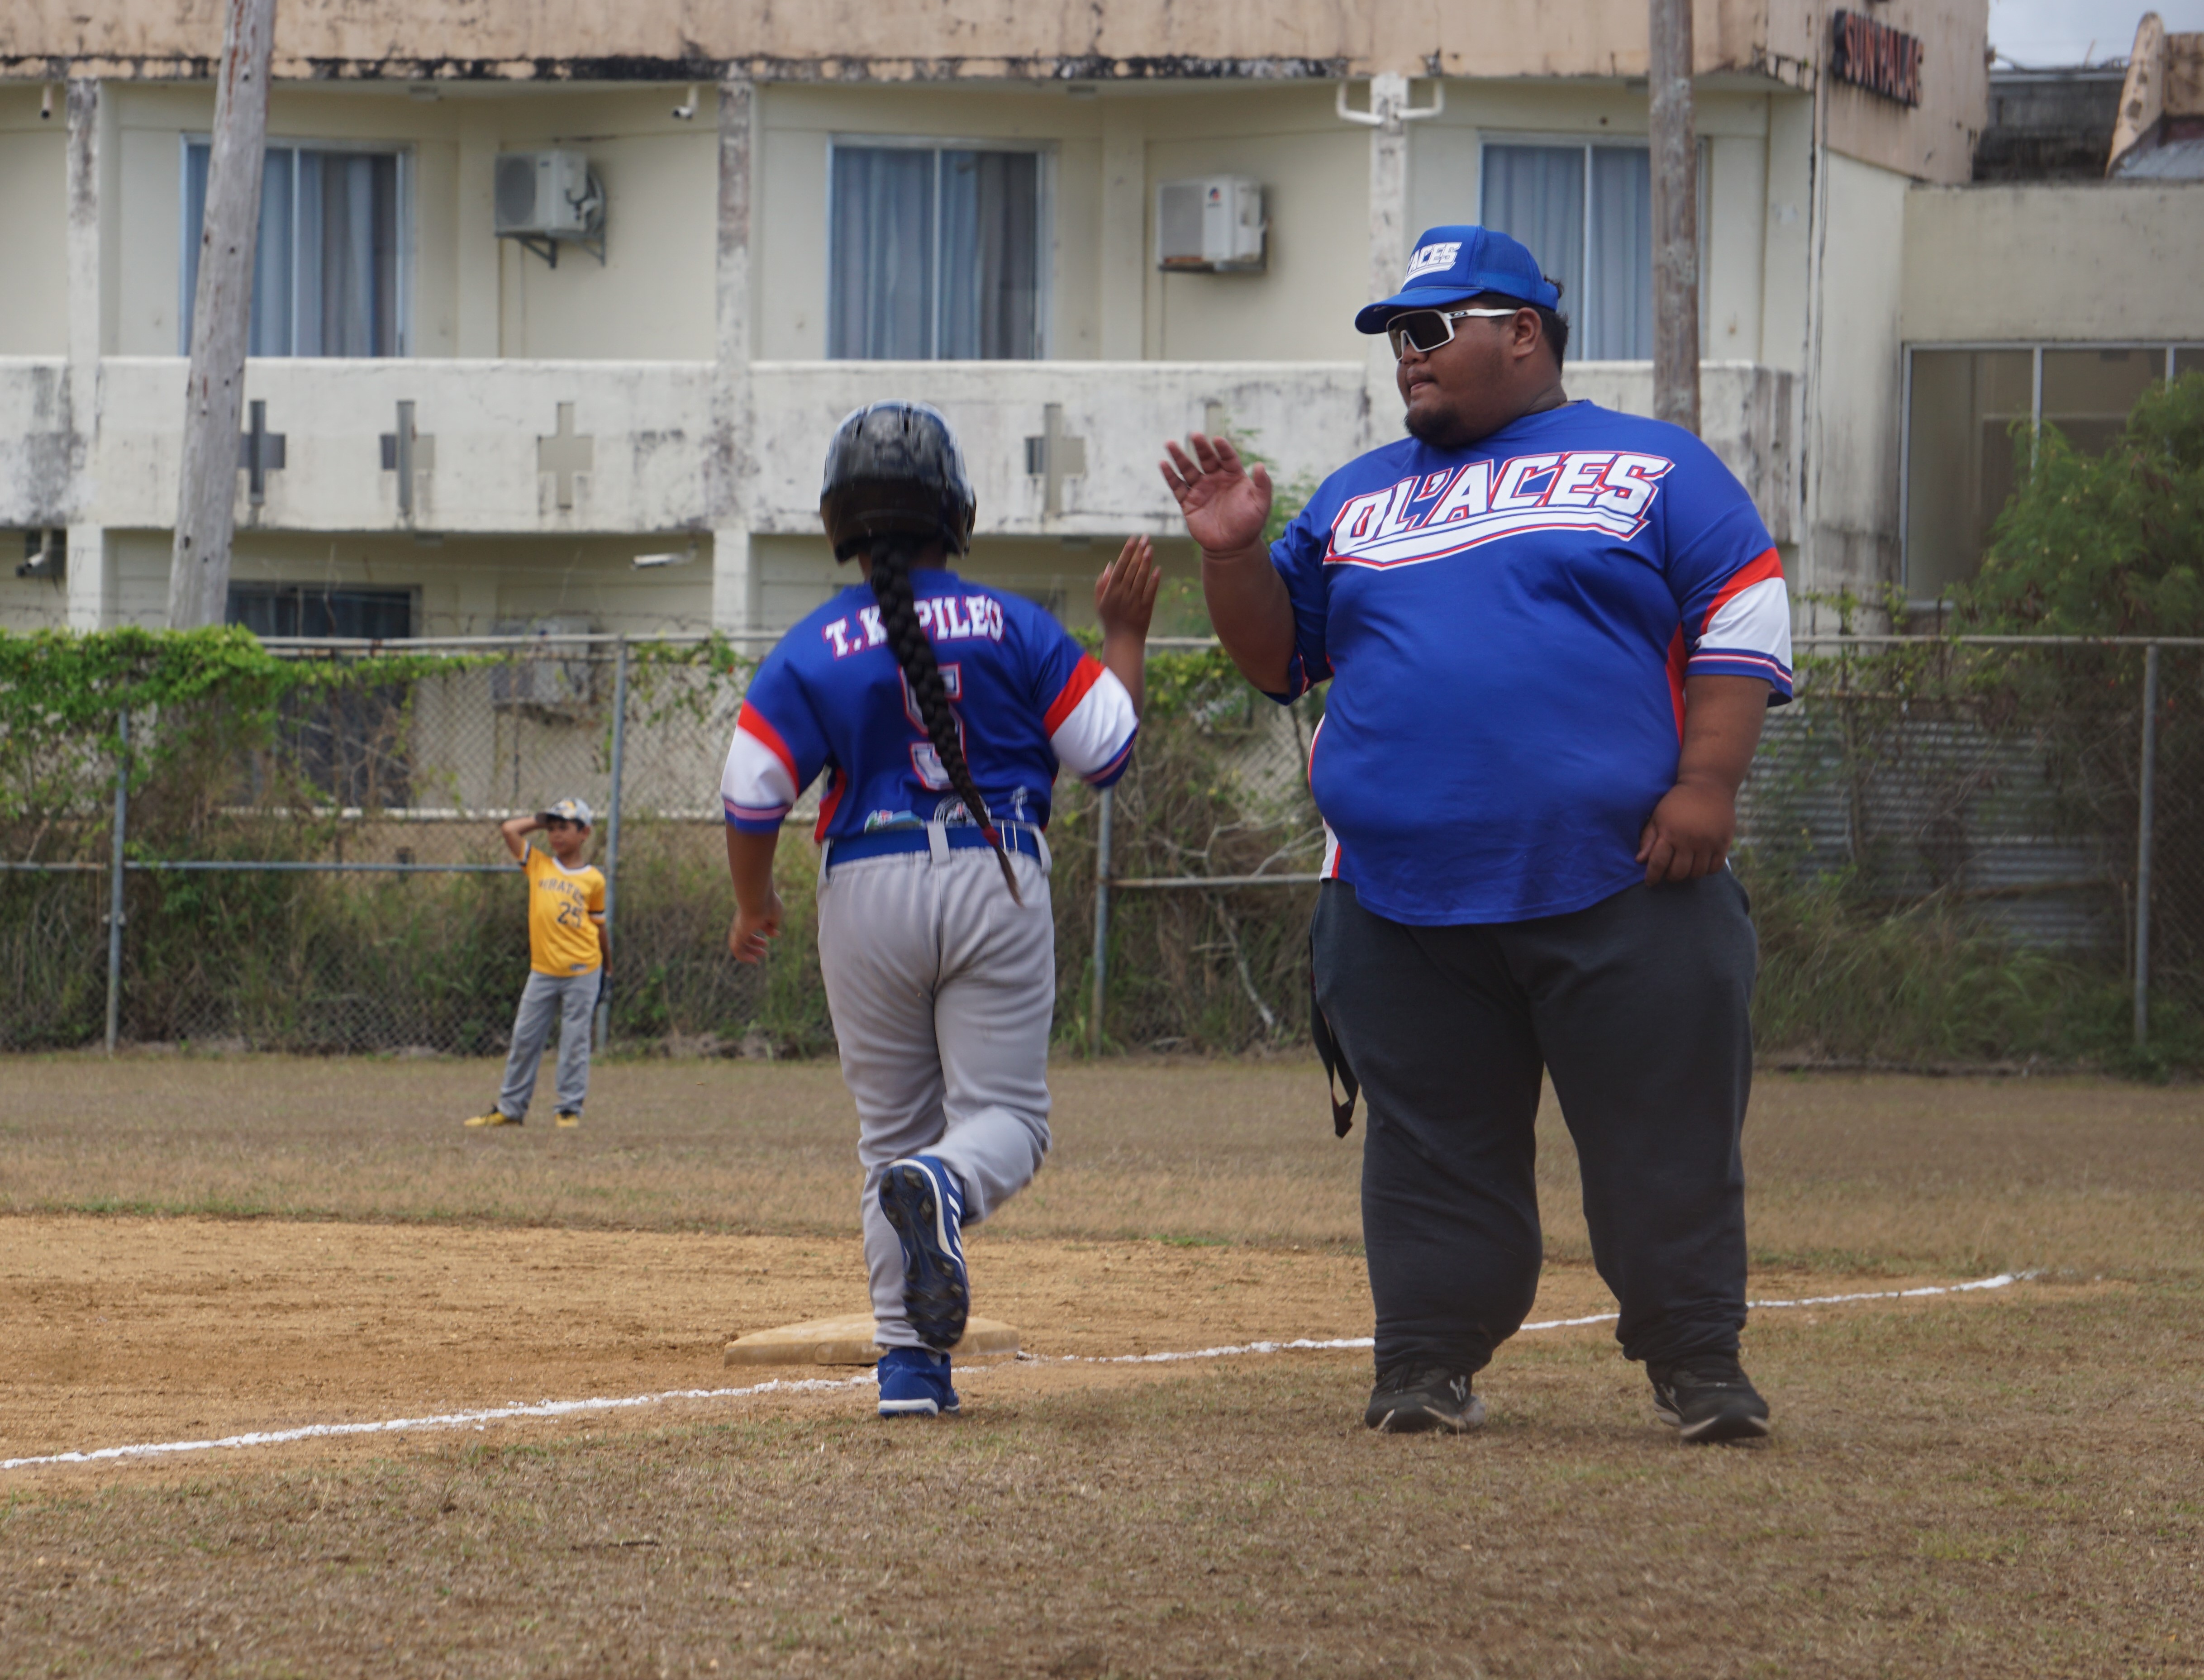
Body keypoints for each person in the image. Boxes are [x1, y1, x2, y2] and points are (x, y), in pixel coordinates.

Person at [1158, 224, 1794, 1444]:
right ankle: (1421, 1364)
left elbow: (1740, 610)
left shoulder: (1652, 467)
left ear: (1520, 332)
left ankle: (1698, 1368)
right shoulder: (1355, 496)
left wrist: (1706, 782)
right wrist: (1235, 554)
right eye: (1396, 335)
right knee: (1428, 1151)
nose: (1405, 356)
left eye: (1428, 329)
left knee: (1659, 1139)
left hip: (1625, 883)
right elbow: (1275, 658)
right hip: (1398, 903)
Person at [721, 401, 1158, 1420]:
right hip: (992, 866)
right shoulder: (1013, 623)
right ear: (952, 513)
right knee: (1003, 1121)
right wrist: (1125, 635)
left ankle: (910, 1370)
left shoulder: (811, 645)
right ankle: (945, 1187)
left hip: (861, 881)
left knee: (888, 1138)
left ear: (838, 519)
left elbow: (749, 791)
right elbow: (1108, 752)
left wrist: (754, 901)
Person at [464, 799, 609, 1130]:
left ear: (584, 832)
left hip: (583, 970)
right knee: (525, 1039)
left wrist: (608, 969)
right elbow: (509, 830)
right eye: (552, 829)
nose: (556, 835)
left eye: (565, 828)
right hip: (543, 971)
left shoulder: (593, 879)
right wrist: (541, 820)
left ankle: (568, 1109)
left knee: (574, 1042)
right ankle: (510, 1109)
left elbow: (599, 927)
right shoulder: (539, 864)